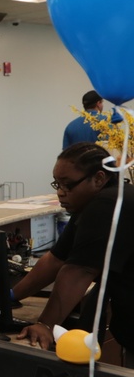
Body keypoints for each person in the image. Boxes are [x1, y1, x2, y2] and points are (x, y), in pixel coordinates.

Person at [14, 142, 134, 354]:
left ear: (98, 179)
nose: (60, 193)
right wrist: (11, 296)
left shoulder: (107, 204)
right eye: (57, 184)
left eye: (67, 185)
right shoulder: (90, 204)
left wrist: (45, 325)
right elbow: (55, 260)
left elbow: (79, 271)